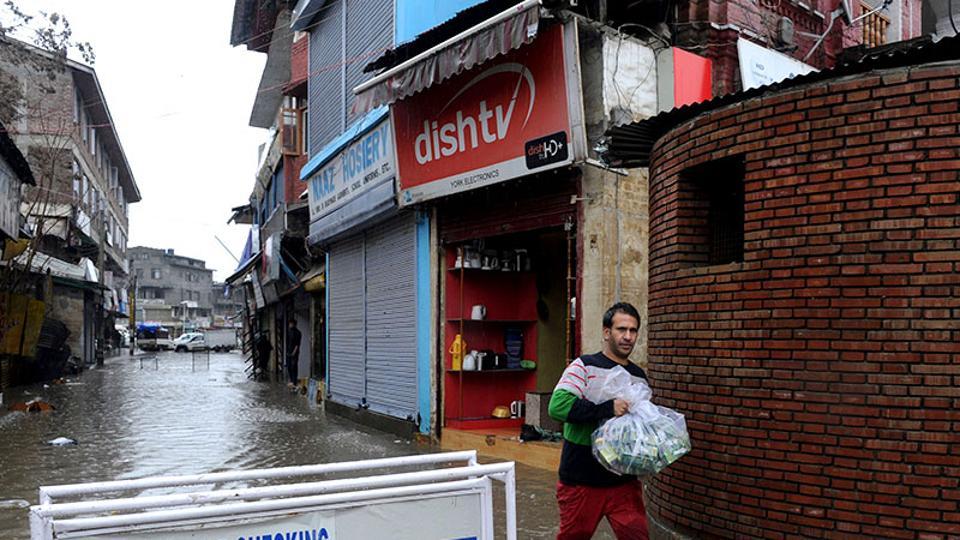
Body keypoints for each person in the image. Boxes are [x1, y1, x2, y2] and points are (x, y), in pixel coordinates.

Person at [548, 302, 649, 540]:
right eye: (621, 329)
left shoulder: (639, 377)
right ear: (606, 332)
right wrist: (606, 408)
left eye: (633, 331)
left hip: (624, 483)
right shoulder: (583, 366)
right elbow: (557, 406)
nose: (628, 337)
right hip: (581, 481)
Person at [285, 318, 302, 388]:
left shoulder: (298, 333)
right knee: (289, 366)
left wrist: (294, 352)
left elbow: (297, 344)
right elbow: (287, 342)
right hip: (288, 352)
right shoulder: (288, 331)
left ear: (294, 324)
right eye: (289, 323)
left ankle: (294, 382)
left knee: (294, 367)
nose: (289, 325)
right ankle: (291, 380)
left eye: (290, 323)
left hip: (294, 352)